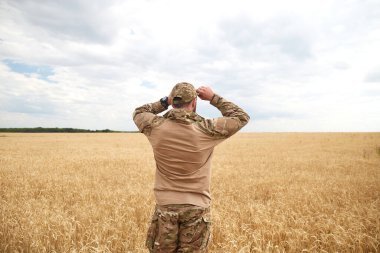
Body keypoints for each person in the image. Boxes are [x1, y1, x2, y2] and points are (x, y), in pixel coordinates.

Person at [133, 82, 250, 252]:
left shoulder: (155, 127)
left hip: (166, 207)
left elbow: (139, 112)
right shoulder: (206, 129)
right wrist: (213, 98)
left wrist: (164, 101)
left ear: (173, 102)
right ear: (194, 103)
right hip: (197, 208)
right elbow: (241, 117)